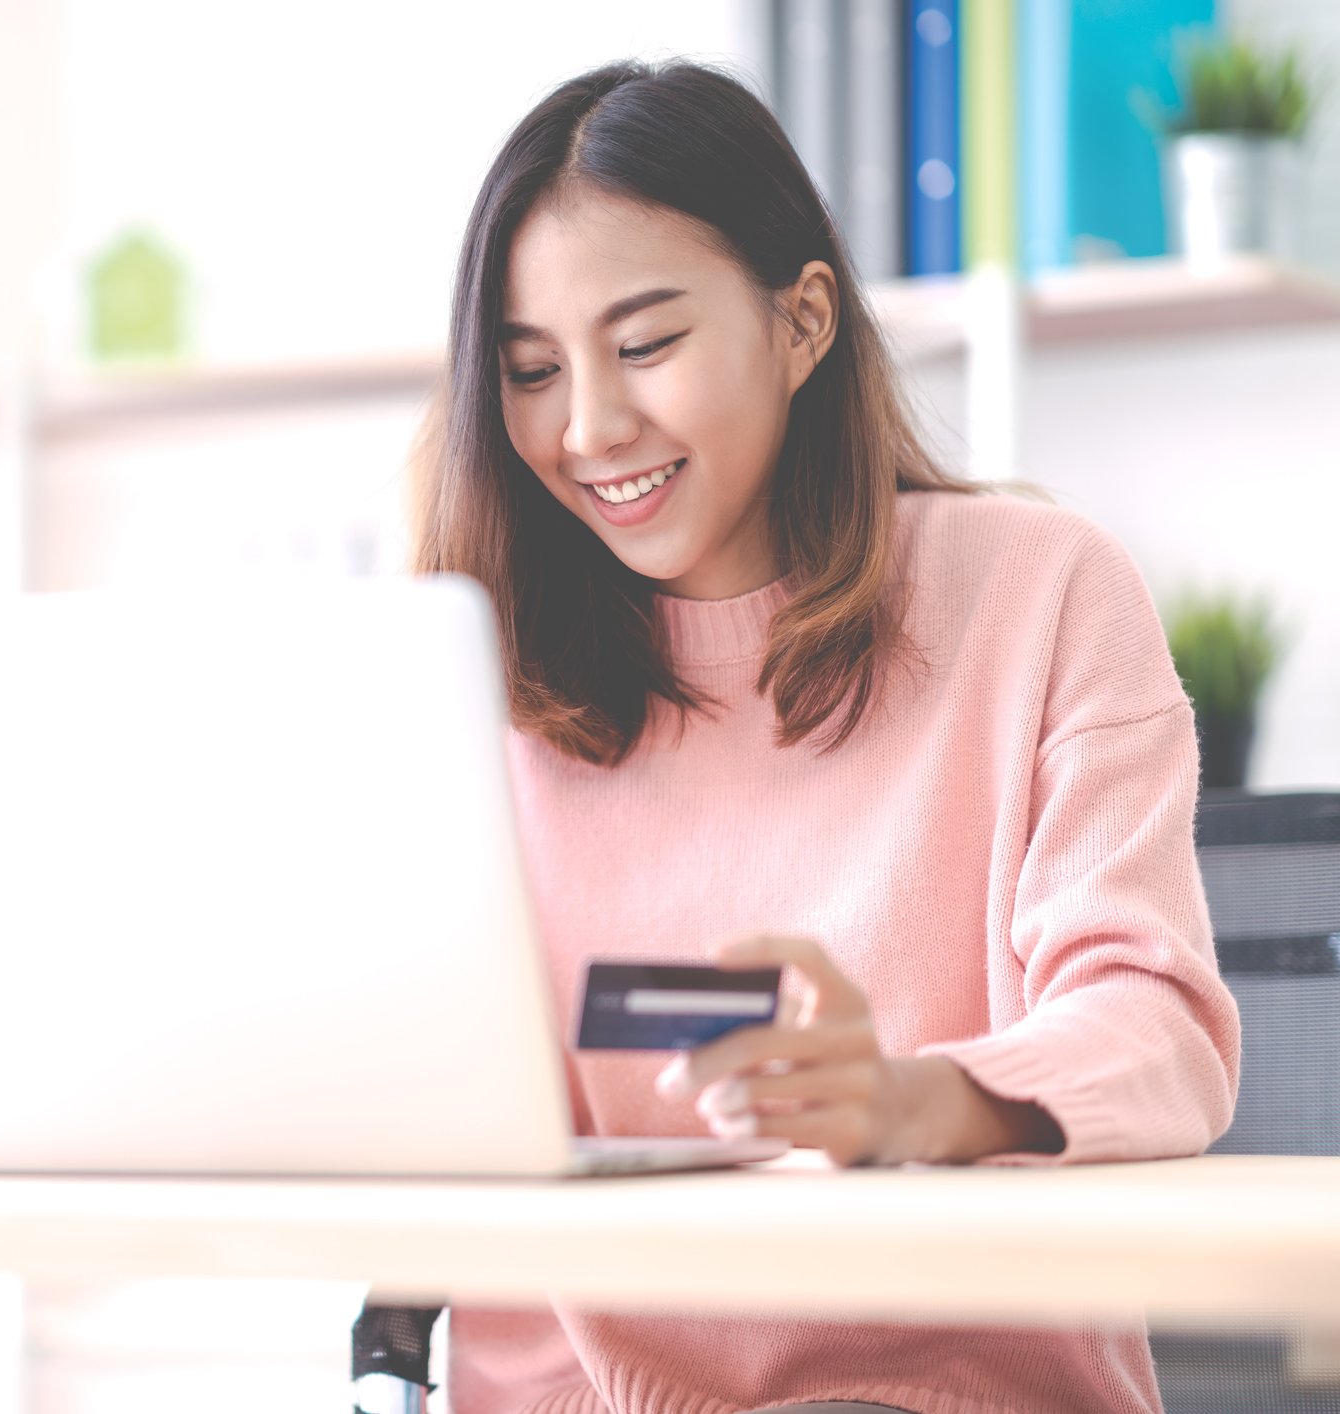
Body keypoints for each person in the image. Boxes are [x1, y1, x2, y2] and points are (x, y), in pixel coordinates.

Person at [411, 58, 1240, 1414]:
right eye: (530, 369)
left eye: (645, 343)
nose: (588, 427)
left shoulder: (1040, 592)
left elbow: (1159, 1028)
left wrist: (917, 1103)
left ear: (800, 324)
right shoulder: (477, 686)